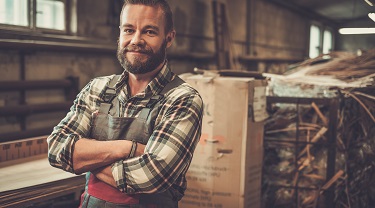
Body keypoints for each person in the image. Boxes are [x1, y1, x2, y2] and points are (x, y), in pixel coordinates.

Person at [47, 0, 203, 207]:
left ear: (169, 38)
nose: (136, 40)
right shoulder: (97, 89)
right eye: (129, 30)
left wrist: (84, 160)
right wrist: (128, 148)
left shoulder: (182, 99)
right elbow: (57, 148)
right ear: (119, 33)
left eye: (149, 32)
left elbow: (151, 176)